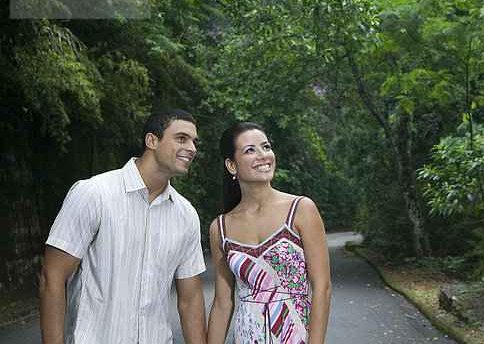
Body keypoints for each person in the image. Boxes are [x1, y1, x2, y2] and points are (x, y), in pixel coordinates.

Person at [39, 109, 207, 344]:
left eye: (194, 142)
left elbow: (190, 299)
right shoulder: (94, 194)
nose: (192, 148)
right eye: (182, 138)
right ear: (152, 141)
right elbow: (52, 276)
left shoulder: (186, 214)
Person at [207, 122, 331, 344]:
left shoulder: (301, 209)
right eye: (250, 150)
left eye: (266, 147)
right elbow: (223, 303)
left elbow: (322, 287)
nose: (263, 155)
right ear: (231, 165)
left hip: (295, 337)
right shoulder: (220, 228)